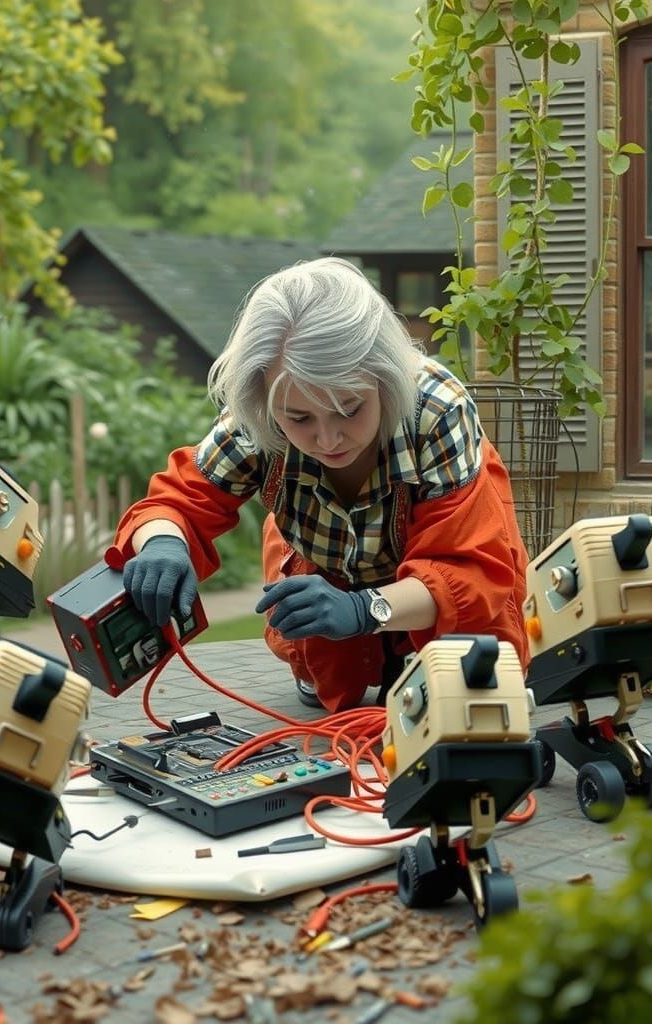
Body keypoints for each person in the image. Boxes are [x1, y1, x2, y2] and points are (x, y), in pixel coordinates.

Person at [104, 257, 529, 714]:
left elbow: (468, 572)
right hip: (323, 561)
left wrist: (365, 610)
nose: (327, 440)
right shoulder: (260, 415)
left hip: (443, 577)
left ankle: (404, 648)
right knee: (330, 679)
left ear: (384, 378)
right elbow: (179, 501)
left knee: (469, 677)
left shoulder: (437, 412)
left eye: (349, 409)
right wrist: (163, 544)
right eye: (300, 418)